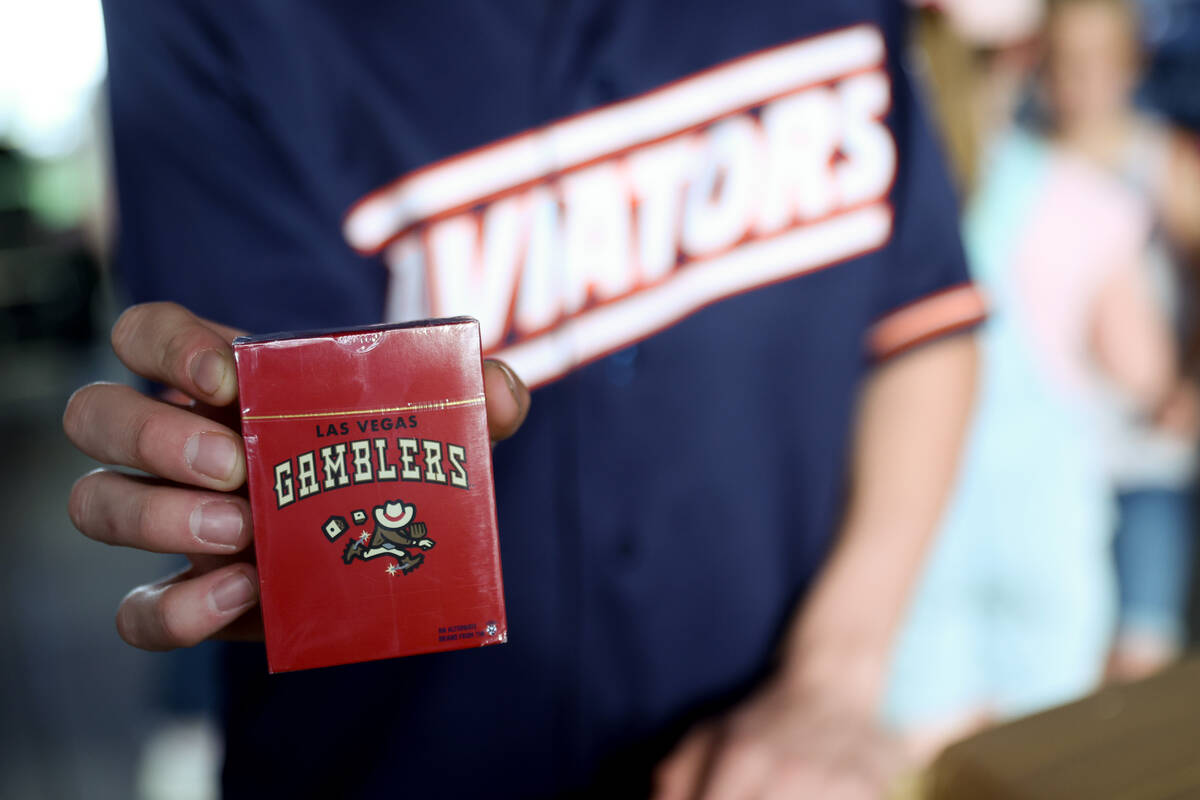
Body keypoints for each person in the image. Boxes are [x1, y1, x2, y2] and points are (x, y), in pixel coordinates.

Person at [65, 2, 982, 796]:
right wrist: (245, 503)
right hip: (395, 766)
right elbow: (251, 435)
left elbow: (921, 320)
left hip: (758, 757)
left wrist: (832, 680)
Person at [885, 1, 1177, 760]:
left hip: (909, 540)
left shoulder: (886, 205)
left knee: (931, 766)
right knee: (1047, 759)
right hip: (1046, 528)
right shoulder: (1077, 196)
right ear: (1021, 61)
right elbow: (1142, 369)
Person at [1039, 0, 1200, 682]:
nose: (1081, 80)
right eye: (1064, 62)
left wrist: (1190, 382)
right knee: (1058, 669)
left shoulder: (1161, 161)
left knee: (1141, 660)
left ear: (1131, 65)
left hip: (1145, 459)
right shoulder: (1021, 160)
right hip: (1056, 463)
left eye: (1099, 61)